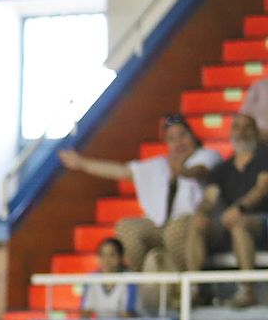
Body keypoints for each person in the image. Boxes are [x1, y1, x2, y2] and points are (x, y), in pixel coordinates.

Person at [60, 115, 220, 272]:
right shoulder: (159, 164)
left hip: (196, 223)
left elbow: (199, 171)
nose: (179, 142)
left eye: (182, 135)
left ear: (192, 136)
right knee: (126, 227)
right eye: (172, 138)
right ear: (167, 143)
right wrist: (81, 163)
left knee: (175, 230)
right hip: (161, 226)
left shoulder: (207, 155)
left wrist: (182, 171)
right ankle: (143, 284)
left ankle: (183, 288)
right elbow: (121, 172)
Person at [190, 113, 268, 307]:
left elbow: (262, 188)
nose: (241, 132)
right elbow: (211, 196)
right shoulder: (222, 168)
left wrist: (239, 208)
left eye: (247, 127)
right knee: (198, 223)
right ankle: (194, 290)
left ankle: (247, 291)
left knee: (240, 224)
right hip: (230, 222)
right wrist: (203, 210)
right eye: (236, 127)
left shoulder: (264, 157)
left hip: (261, 221)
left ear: (256, 133)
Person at [82, 237, 136, 317]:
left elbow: (128, 315)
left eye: (112, 255)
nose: (106, 260)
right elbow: (85, 313)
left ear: (121, 257)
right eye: (102, 255)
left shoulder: (130, 279)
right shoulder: (91, 279)